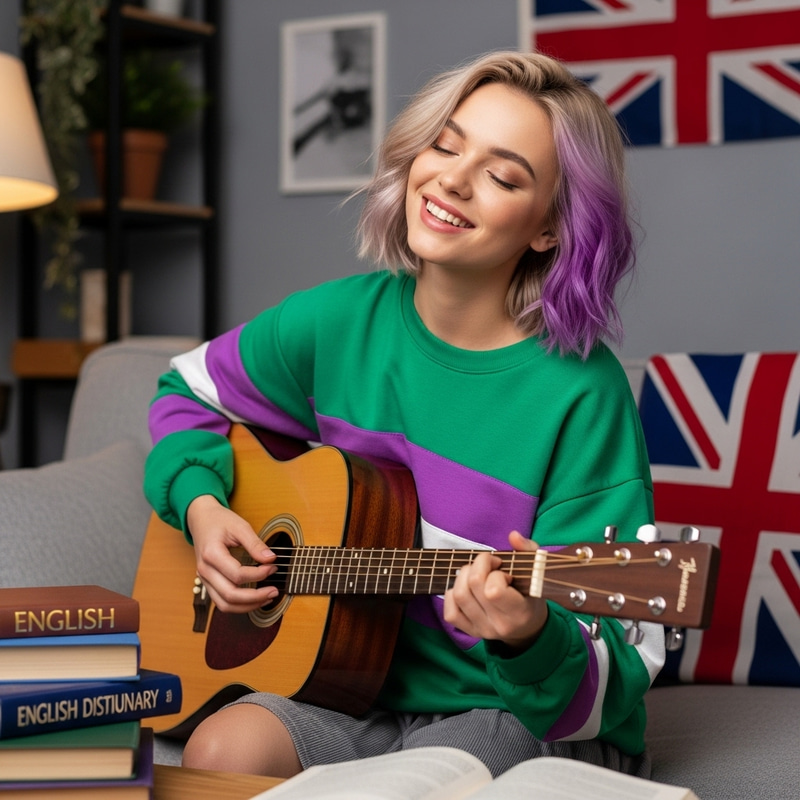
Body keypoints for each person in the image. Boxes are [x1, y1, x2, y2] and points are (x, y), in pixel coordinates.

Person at [144, 50, 663, 781]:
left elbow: (612, 660)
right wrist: (201, 507)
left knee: (419, 784)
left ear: (548, 229)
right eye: (446, 145)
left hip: (504, 709)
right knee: (218, 756)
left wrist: (529, 633)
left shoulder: (583, 394)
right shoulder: (336, 323)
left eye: (502, 174)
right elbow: (185, 392)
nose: (452, 177)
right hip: (348, 690)